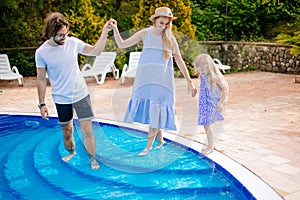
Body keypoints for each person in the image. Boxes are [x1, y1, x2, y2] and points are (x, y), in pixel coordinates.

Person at [109, 7, 197, 156]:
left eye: (166, 24)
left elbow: (179, 60)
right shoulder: (145, 33)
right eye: (161, 23)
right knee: (153, 107)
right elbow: (122, 44)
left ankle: (148, 146)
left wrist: (189, 81)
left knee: (156, 108)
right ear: (155, 20)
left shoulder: (170, 38)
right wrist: (115, 30)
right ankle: (161, 140)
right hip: (145, 79)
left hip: (162, 81)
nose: (163, 26)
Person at [35, 12, 111, 170]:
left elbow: (95, 51)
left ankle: (93, 159)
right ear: (51, 33)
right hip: (61, 98)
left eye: (66, 34)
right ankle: (72, 152)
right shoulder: (41, 52)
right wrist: (42, 104)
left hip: (80, 94)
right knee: (67, 131)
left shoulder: (73, 42)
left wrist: (105, 31)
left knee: (87, 129)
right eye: (61, 35)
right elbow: (41, 78)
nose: (65, 38)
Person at [194, 54, 229, 154]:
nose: (201, 71)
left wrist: (221, 103)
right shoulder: (203, 76)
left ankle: (211, 147)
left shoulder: (215, 77)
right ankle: (210, 146)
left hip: (211, 103)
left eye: (202, 68)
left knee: (207, 124)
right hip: (204, 104)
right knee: (206, 125)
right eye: (199, 68)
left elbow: (225, 89)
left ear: (209, 66)